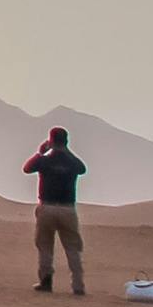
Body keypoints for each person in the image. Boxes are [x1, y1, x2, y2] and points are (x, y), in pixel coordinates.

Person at [25, 126, 88, 295]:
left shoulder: (45, 160)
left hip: (47, 207)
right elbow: (82, 168)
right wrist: (67, 151)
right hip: (67, 209)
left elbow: (27, 168)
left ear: (51, 141)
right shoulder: (71, 161)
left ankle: (46, 281)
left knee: (45, 246)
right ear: (66, 141)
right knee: (72, 248)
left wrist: (40, 152)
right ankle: (78, 285)